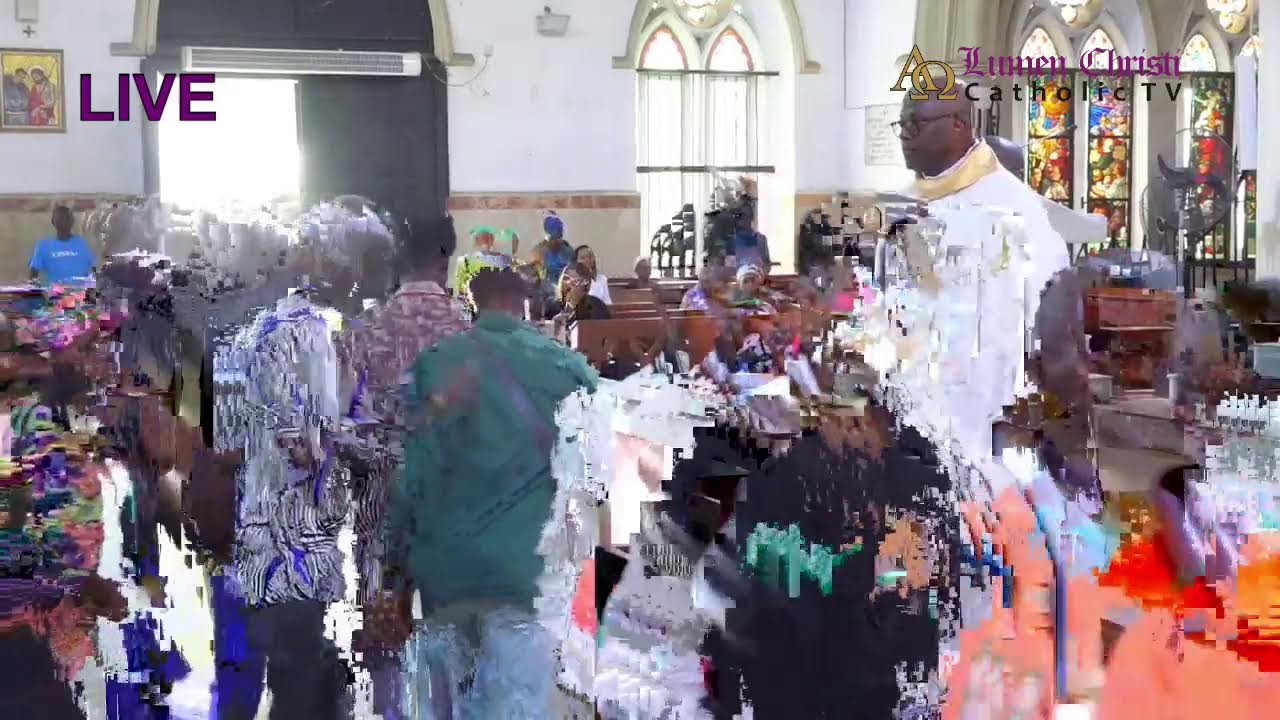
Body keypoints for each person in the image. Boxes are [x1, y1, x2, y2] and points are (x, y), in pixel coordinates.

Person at [211, 199, 399, 720]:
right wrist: (374, 450)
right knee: (302, 694)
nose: (365, 283)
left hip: (255, 542)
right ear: (337, 265)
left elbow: (228, 445)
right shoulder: (309, 333)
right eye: (365, 266)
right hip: (296, 550)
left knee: (296, 681)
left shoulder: (252, 331)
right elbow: (307, 447)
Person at [387, 267, 598, 717]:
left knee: (444, 703)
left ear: (472, 302)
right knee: (515, 704)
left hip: (445, 573)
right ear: (523, 304)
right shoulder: (566, 367)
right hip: (524, 573)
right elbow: (591, 472)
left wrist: (395, 576)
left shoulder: (436, 365)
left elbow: (410, 478)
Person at [897, 76, 1070, 322]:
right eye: (901, 124)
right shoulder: (906, 199)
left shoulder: (1010, 205)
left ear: (957, 124)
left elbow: (1045, 296)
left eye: (915, 124)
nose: (904, 135)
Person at [29, 205, 96, 284]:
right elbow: (33, 277)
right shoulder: (43, 246)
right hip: (56, 294)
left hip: (82, 293)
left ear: (72, 221)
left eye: (67, 218)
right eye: (60, 218)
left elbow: (95, 269)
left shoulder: (82, 243)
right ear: (53, 221)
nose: (63, 221)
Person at [544, 262, 611, 327]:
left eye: (575, 282)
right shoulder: (551, 304)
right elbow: (541, 332)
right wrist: (552, 325)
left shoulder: (597, 306)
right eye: (565, 279)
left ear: (586, 287)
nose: (568, 284)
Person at [534, 212, 574, 285]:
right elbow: (536, 271)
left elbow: (572, 271)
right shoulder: (540, 250)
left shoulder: (568, 251)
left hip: (564, 286)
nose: (555, 239)